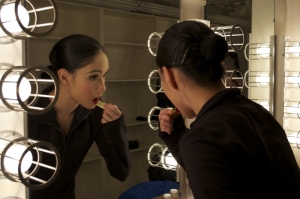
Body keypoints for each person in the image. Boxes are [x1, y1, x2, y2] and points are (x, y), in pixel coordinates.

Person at [156, 21, 300, 198]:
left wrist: (189, 142)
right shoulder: (255, 112)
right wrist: (179, 137)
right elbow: (222, 170)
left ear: (169, 75)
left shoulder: (204, 138)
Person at [27, 34, 131, 199]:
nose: (102, 87)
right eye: (93, 77)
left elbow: (120, 172)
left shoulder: (95, 114)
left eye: (104, 75)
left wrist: (115, 128)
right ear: (64, 77)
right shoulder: (26, 113)